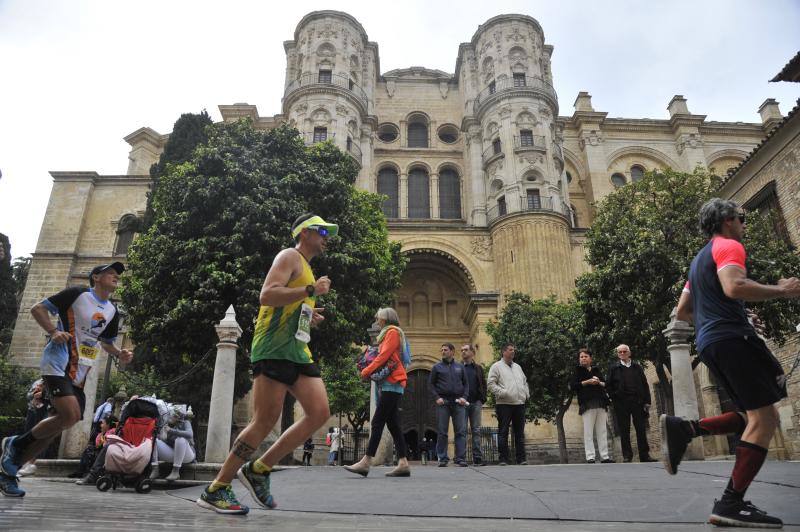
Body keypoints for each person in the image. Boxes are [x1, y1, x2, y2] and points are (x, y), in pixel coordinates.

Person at [662, 198, 800, 528]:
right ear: (727, 220)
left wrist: (721, 317)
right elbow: (734, 286)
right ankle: (730, 503)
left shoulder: (699, 259)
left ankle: (687, 429)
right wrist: (784, 290)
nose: (744, 225)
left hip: (710, 341)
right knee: (765, 419)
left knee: (753, 414)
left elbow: (682, 311)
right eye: (741, 218)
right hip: (733, 339)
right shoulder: (728, 246)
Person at [197, 213, 336, 515]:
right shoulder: (290, 256)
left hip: (297, 349)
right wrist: (310, 292)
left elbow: (289, 301)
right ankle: (217, 487)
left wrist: (309, 312)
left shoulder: (309, 269)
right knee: (263, 420)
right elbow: (267, 295)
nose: (327, 237)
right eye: (322, 230)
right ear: (304, 232)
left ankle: (259, 469)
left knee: (320, 412)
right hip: (273, 347)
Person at [0, 262, 133, 497]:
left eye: (117, 274)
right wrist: (53, 331)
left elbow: (106, 343)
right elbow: (38, 308)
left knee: (60, 423)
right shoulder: (77, 294)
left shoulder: (113, 310)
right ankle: (15, 444)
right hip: (57, 362)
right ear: (96, 277)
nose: (115, 276)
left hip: (80, 371)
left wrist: (119, 353)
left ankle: (9, 471)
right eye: (110, 273)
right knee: (70, 415)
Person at [345, 307, 411, 477]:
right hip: (391, 383)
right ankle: (403, 463)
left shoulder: (392, 333)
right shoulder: (390, 333)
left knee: (377, 422)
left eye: (379, 318)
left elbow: (383, 357)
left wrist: (366, 371)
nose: (377, 321)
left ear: (386, 319)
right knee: (394, 425)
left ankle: (366, 462)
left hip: (392, 383)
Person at [606, 344, 656, 463]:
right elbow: (608, 385)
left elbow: (645, 384)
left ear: (629, 353)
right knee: (624, 430)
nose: (622, 354)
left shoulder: (637, 367)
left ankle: (645, 455)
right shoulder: (614, 368)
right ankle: (627, 456)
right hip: (621, 403)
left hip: (637, 402)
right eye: (620, 352)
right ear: (618, 354)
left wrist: (647, 401)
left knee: (641, 429)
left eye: (624, 351)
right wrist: (615, 398)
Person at [487, 343, 529, 465]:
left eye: (514, 350)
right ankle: (503, 459)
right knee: (503, 432)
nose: (513, 352)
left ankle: (521, 458)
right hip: (504, 404)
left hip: (519, 403)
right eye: (510, 350)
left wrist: (526, 394)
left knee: (520, 433)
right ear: (503, 352)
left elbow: (525, 381)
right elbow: (491, 384)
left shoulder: (518, 367)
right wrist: (503, 393)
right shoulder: (496, 366)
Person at [570, 348, 613, 464]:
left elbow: (606, 384)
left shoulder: (596, 370)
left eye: (585, 356)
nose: (583, 358)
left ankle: (604, 456)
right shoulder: (577, 371)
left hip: (601, 401)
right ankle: (590, 456)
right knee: (588, 431)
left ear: (590, 358)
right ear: (579, 359)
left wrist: (598, 381)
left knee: (602, 430)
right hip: (587, 403)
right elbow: (573, 386)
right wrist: (588, 381)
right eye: (581, 357)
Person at [429, 343, 469, 467]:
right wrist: (437, 397)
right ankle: (443, 458)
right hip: (443, 403)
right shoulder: (437, 367)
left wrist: (464, 397)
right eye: (442, 350)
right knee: (442, 432)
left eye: (445, 350)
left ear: (452, 351)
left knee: (461, 431)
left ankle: (460, 458)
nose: (443, 352)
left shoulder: (460, 367)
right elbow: (430, 384)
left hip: (458, 403)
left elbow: (466, 384)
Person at [460, 344, 487, 466]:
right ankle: (462, 458)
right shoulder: (458, 368)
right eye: (462, 350)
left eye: (465, 350)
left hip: (476, 402)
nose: (463, 352)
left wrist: (482, 399)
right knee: (462, 430)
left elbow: (483, 383)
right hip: (462, 403)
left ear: (472, 352)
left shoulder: (478, 368)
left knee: (476, 430)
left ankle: (477, 458)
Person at [154, 404, 196, 481]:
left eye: (172, 415)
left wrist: (171, 431)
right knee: (155, 441)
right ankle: (155, 468)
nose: (170, 417)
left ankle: (176, 471)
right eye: (170, 414)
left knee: (180, 439)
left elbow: (190, 434)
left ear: (178, 417)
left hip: (187, 457)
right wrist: (161, 435)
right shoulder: (165, 424)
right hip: (173, 455)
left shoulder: (185, 422)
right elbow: (163, 440)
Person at [17, 379, 48, 477]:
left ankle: (34, 463)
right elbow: (28, 395)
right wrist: (34, 395)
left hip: (45, 411)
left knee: (41, 436)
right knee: (29, 435)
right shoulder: (38, 382)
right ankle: (25, 463)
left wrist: (42, 395)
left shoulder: (54, 381)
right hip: (32, 410)